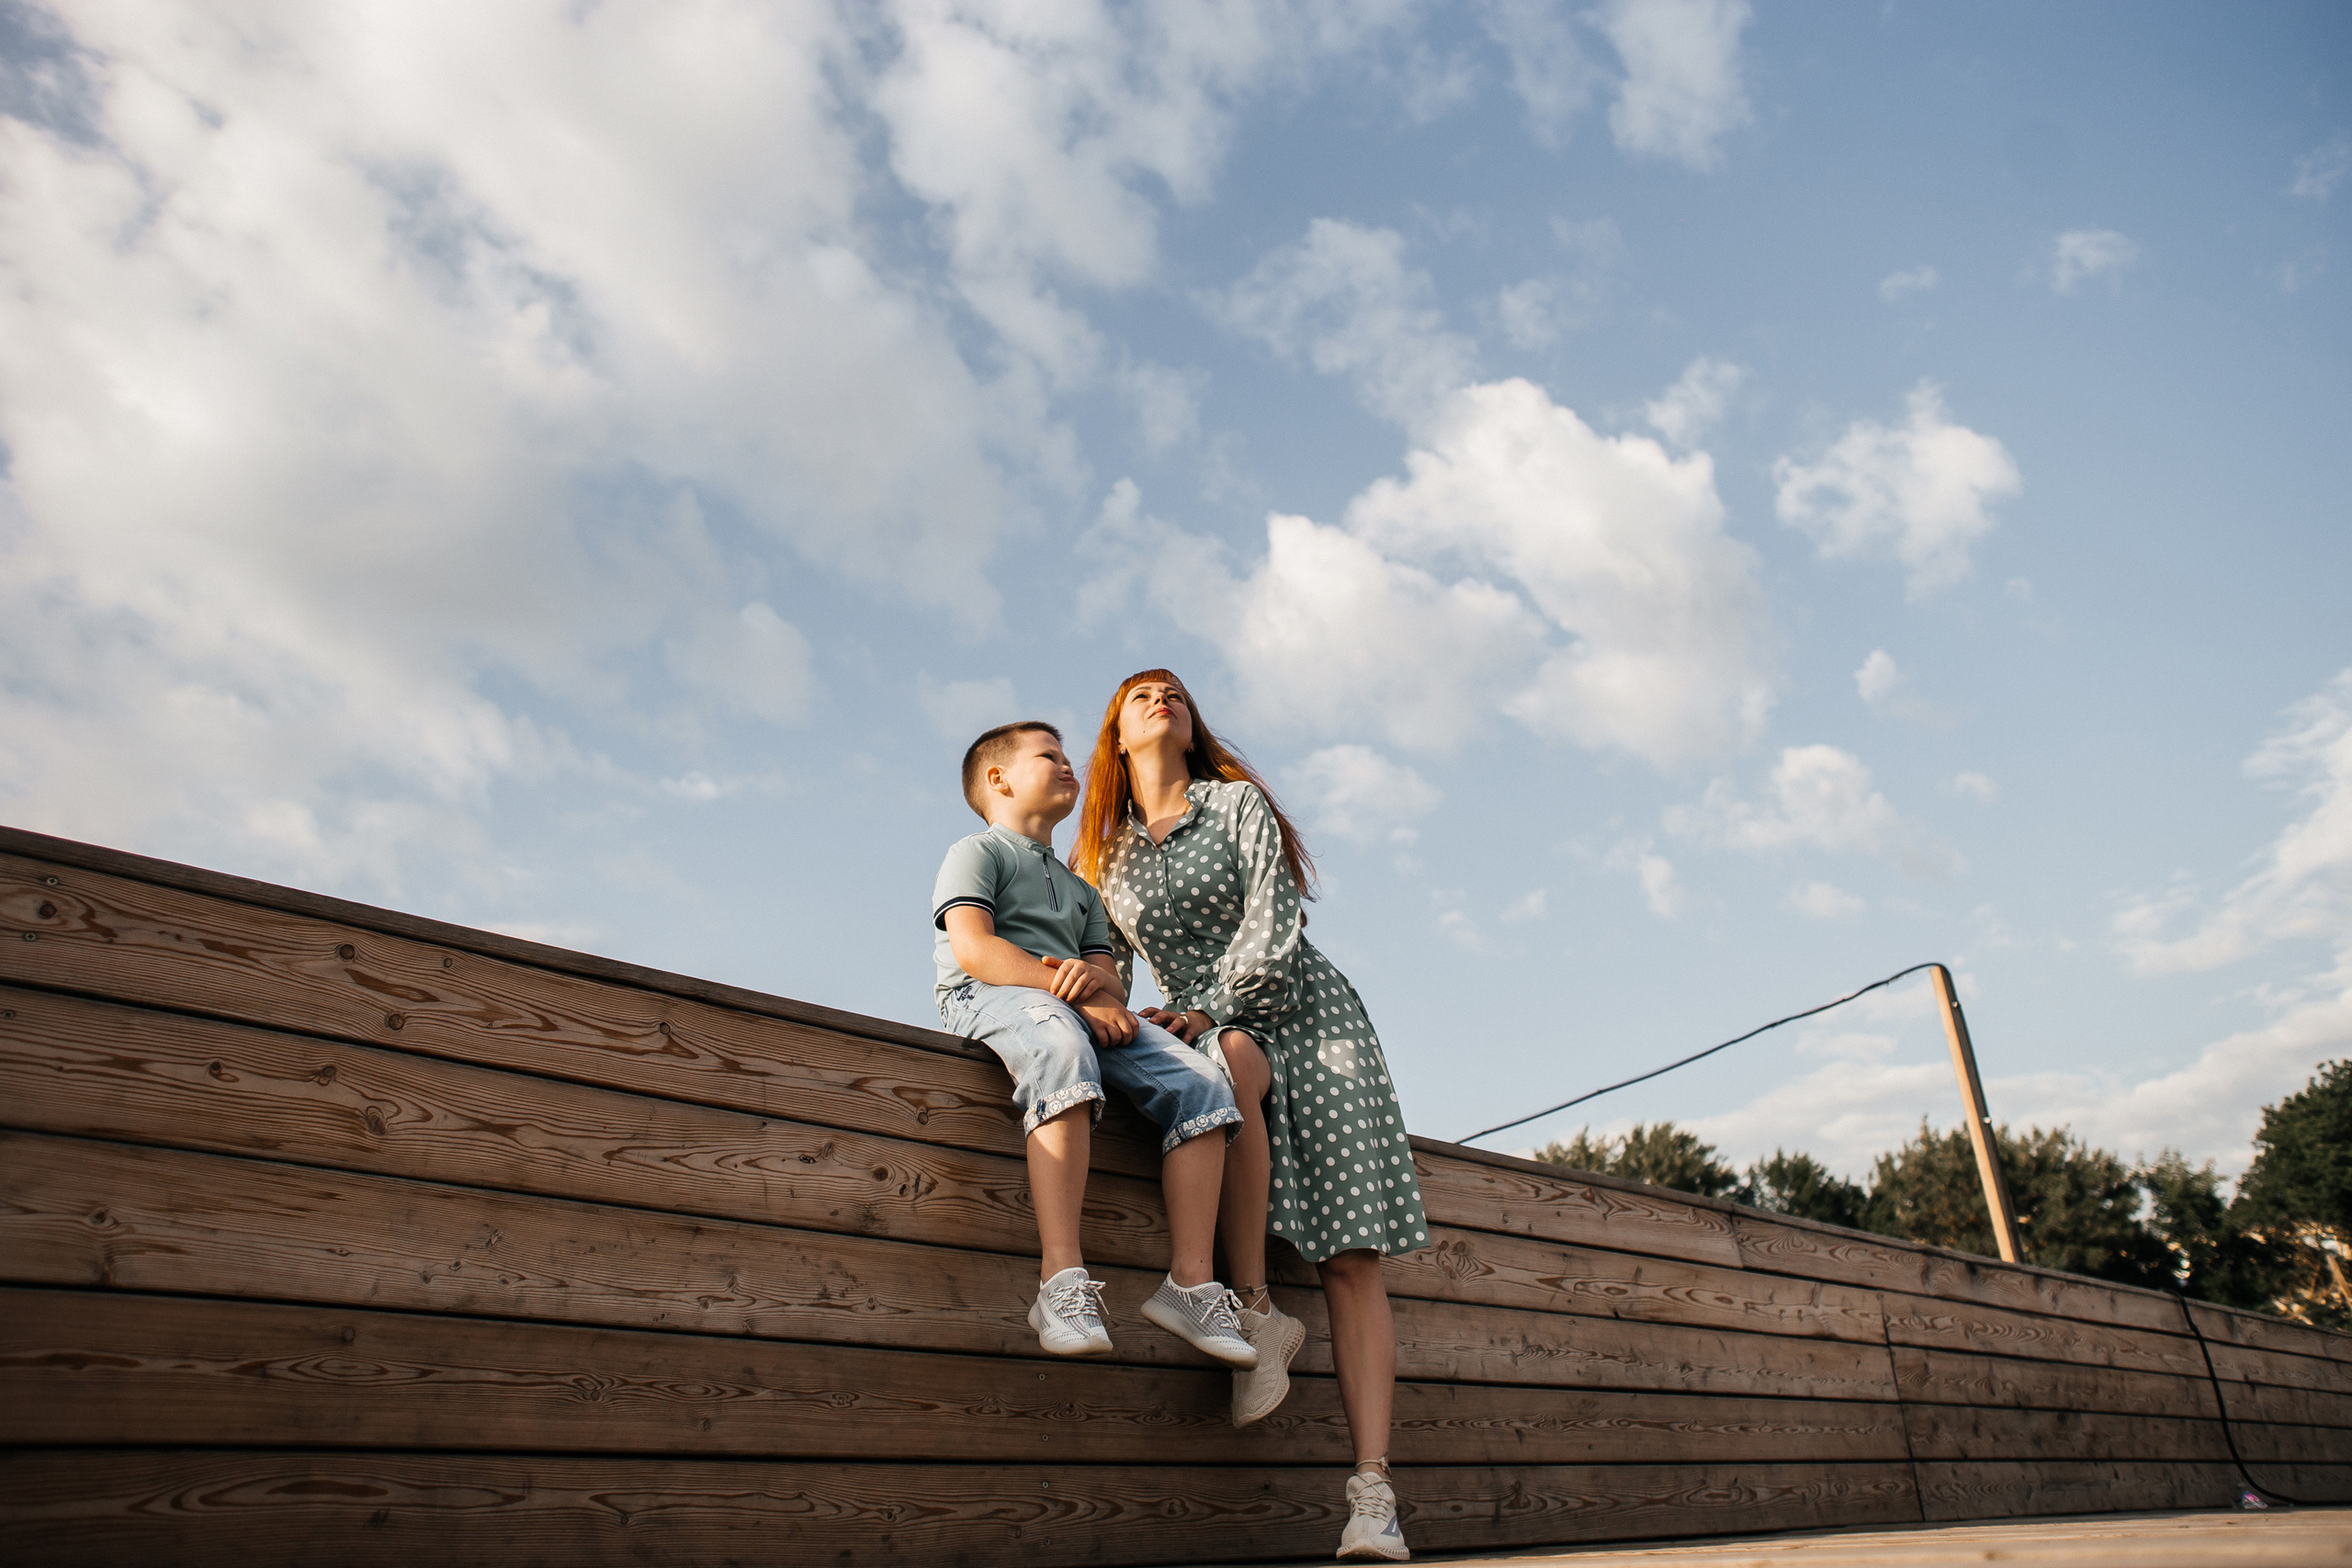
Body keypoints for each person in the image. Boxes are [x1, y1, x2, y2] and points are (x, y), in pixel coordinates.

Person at [1072, 672, 1428, 1565]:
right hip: (1212, 1030)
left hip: (1305, 1013)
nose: (1161, 699)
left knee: (1351, 1256)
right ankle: (1257, 1307)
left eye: (1175, 694)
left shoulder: (1235, 807)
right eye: (1140, 695)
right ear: (1116, 735)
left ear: (1191, 726)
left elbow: (1271, 928)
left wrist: (1205, 1006)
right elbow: (1106, 962)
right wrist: (1076, 993)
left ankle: (1372, 1496)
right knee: (1225, 1060)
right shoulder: (1104, 859)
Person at [933, 719, 1259, 1370]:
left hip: (1071, 1007)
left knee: (1203, 1081)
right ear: (997, 778)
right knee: (1059, 1040)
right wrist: (1072, 991)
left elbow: (1106, 972)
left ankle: (1191, 1285)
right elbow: (975, 948)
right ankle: (1060, 1280)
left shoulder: (1082, 888)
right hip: (991, 994)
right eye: (1047, 755)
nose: (1066, 764)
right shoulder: (977, 851)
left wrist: (1097, 995)